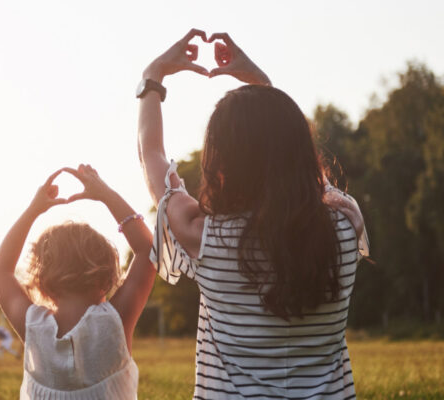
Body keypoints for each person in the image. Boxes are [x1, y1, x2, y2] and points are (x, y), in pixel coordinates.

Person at [135, 29, 369, 399]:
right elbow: (307, 174)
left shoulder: (205, 237)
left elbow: (152, 157)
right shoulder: (346, 223)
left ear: (222, 160)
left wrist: (153, 78)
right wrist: (261, 85)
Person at [0, 165, 155, 399]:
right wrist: (105, 193)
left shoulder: (34, 327)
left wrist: (32, 211)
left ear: (42, 282)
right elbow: (148, 249)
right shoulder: (114, 321)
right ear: (107, 277)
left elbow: (1, 271)